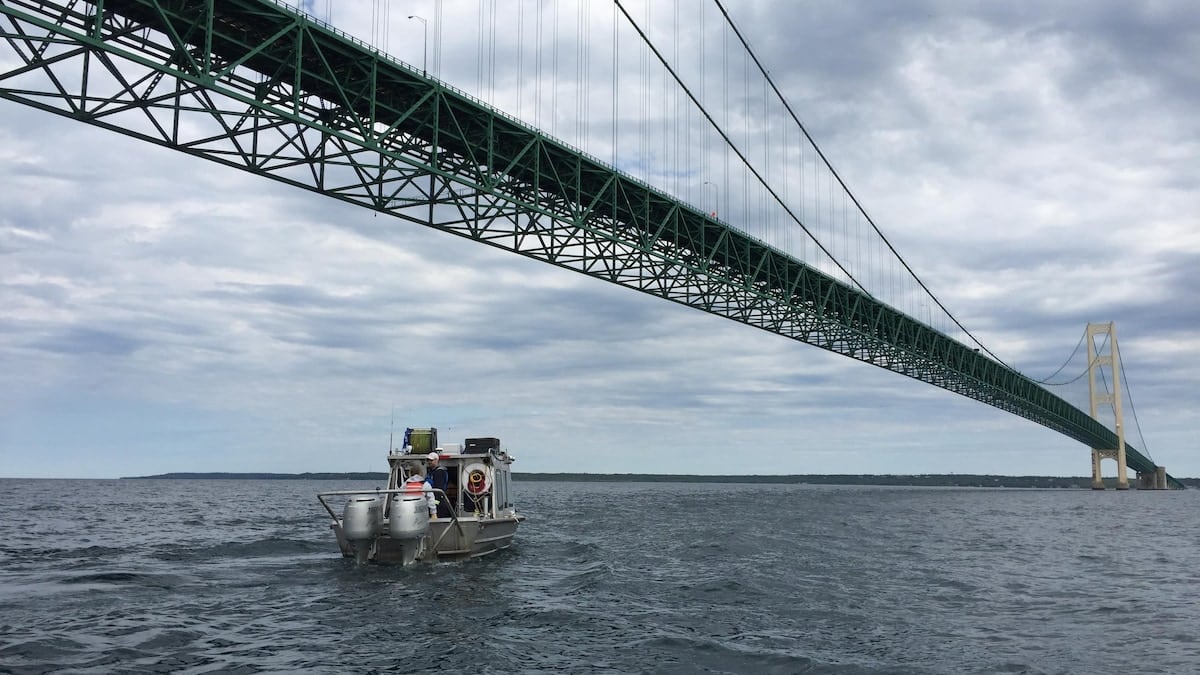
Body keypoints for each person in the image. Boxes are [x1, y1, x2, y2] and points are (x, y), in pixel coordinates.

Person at [425, 451, 452, 518]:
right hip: (430, 498)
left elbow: (438, 489)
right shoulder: (430, 472)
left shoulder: (440, 472)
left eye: (431, 460)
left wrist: (434, 502)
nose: (429, 462)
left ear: (436, 460)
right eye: (428, 460)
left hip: (439, 500)